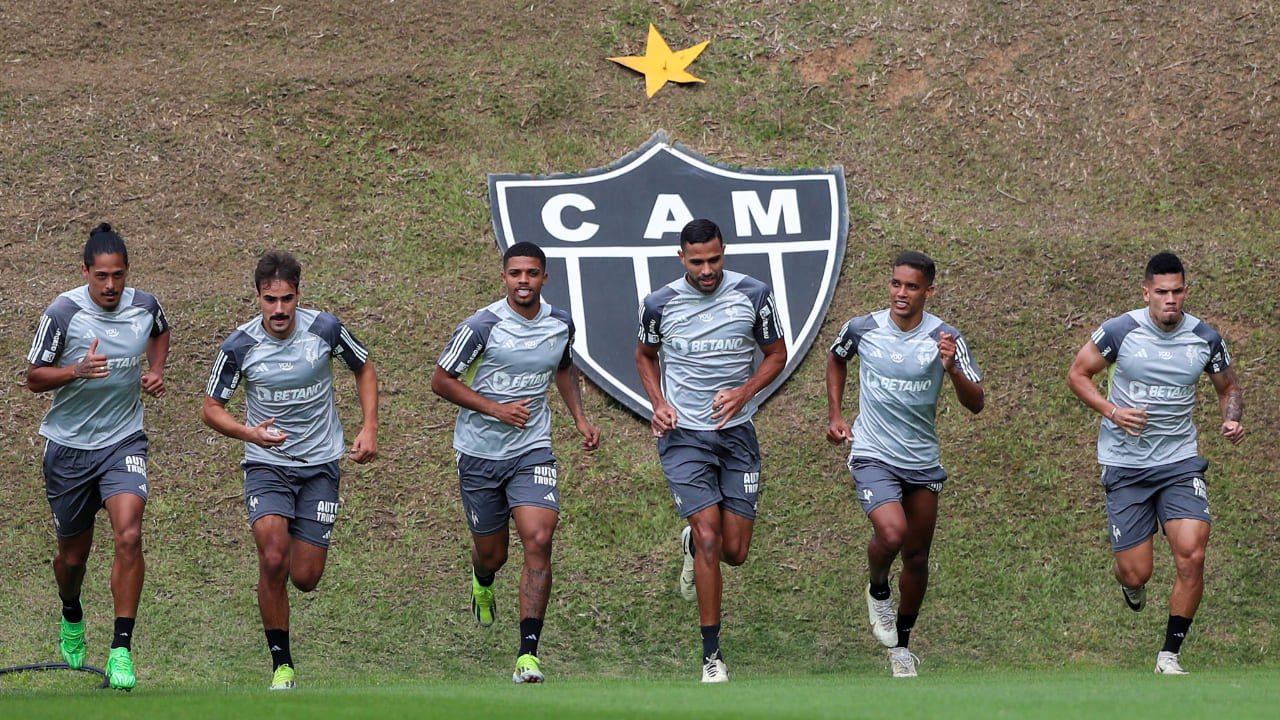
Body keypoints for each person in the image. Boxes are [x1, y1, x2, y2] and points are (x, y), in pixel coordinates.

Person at [201, 250, 379, 690]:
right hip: (267, 465)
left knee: (306, 577)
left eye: (287, 299)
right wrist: (249, 433)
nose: (279, 309)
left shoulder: (326, 330)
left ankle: (278, 581)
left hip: (320, 465)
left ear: (299, 295)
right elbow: (210, 409)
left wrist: (369, 427)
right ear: (257, 298)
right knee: (274, 555)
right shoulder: (239, 346)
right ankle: (282, 663)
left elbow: (364, 367)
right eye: (270, 300)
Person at [431, 241, 601, 684]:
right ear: (504, 277)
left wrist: (580, 418)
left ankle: (528, 655)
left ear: (544, 277)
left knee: (539, 537)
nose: (523, 280)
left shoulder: (560, 323)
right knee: (493, 555)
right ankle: (482, 581)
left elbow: (563, 368)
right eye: (515, 273)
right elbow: (441, 381)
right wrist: (495, 408)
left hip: (532, 449)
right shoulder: (481, 326)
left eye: (531, 273)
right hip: (480, 452)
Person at [1067, 251, 1244, 675]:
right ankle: (1130, 585)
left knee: (1192, 556)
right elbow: (1077, 374)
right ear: (1146, 292)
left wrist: (1231, 417)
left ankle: (1169, 654)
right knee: (1136, 574)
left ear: (1186, 291)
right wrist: (1113, 412)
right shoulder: (1120, 331)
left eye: (1177, 291)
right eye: (1162, 292)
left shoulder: (1204, 338)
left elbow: (1228, 385)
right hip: (1125, 465)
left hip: (1179, 462)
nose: (1171, 299)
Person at [634, 218, 787, 683]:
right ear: (681, 258)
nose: (706, 269)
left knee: (734, 551)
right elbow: (645, 354)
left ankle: (696, 544)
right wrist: (658, 404)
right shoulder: (658, 304)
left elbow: (776, 354)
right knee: (708, 536)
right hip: (684, 437)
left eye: (714, 259)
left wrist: (744, 391)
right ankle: (711, 658)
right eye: (697, 261)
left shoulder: (754, 295)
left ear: (725, 252)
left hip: (737, 435)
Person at [25, 223, 170, 691]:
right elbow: (33, 377)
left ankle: (121, 650)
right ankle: (71, 611)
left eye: (119, 276)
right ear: (85, 271)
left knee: (129, 533)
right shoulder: (63, 313)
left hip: (123, 441)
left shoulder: (145, 306)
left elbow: (160, 331)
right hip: (68, 449)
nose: (110, 286)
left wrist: (156, 369)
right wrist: (76, 370)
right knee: (72, 558)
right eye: (101, 276)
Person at [825, 251, 984, 678]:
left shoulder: (947, 337)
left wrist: (951, 369)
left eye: (911, 287)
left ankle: (901, 646)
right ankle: (878, 589)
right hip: (873, 452)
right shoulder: (863, 328)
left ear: (928, 291)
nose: (901, 293)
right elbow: (837, 357)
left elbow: (976, 403)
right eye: (896, 284)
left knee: (916, 556)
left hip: (922, 462)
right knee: (891, 532)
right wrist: (836, 415)